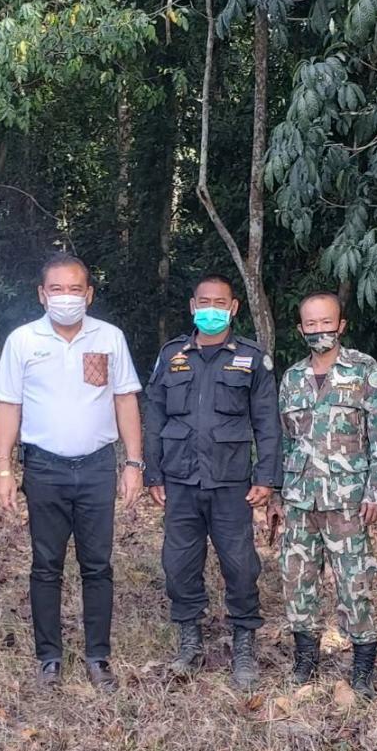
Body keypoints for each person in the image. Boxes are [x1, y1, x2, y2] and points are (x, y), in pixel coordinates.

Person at [0, 252, 144, 690]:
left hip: (96, 468)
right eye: (56, 289)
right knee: (46, 565)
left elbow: (125, 399)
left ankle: (98, 656)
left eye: (75, 289)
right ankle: (49, 659)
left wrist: (133, 463)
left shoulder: (109, 338)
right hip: (44, 468)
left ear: (89, 294)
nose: (66, 298)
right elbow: (8, 405)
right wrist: (3, 469)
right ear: (42, 295)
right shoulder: (22, 341)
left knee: (98, 565)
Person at [143, 273, 280, 691]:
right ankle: (190, 639)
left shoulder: (251, 359)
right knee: (178, 564)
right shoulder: (171, 356)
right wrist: (153, 471)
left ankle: (243, 641)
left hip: (230, 482)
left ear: (234, 308)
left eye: (220, 303)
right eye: (204, 302)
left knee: (240, 565)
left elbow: (267, 423)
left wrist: (267, 477)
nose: (212, 310)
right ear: (192, 306)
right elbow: (154, 416)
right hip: (181, 479)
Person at [267, 292, 377, 691]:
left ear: (341, 325)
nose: (319, 330)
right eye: (311, 324)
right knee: (297, 581)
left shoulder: (363, 370)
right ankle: (305, 661)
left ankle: (363, 665)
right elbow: (285, 442)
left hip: (347, 499)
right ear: (301, 328)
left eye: (327, 323)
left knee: (354, 582)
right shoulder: (292, 378)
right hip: (300, 499)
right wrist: (275, 495)